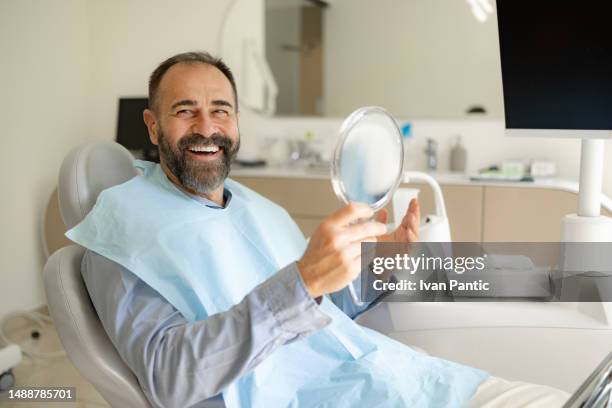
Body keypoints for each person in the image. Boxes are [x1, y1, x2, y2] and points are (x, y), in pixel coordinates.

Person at [69, 51, 569, 407]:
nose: (207, 126)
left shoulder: (255, 208)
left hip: (387, 377)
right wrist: (302, 281)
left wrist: (381, 264)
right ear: (153, 127)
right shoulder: (120, 234)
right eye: (184, 111)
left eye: (220, 110)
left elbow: (323, 305)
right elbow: (169, 379)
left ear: (237, 124)